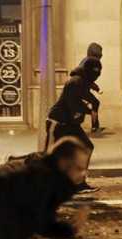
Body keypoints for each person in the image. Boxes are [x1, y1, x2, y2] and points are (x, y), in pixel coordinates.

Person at [46, 57, 102, 192]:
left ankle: (77, 183)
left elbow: (88, 96)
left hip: (69, 124)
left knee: (85, 148)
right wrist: (90, 110)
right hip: (59, 123)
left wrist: (95, 105)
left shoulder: (82, 81)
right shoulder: (75, 82)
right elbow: (73, 104)